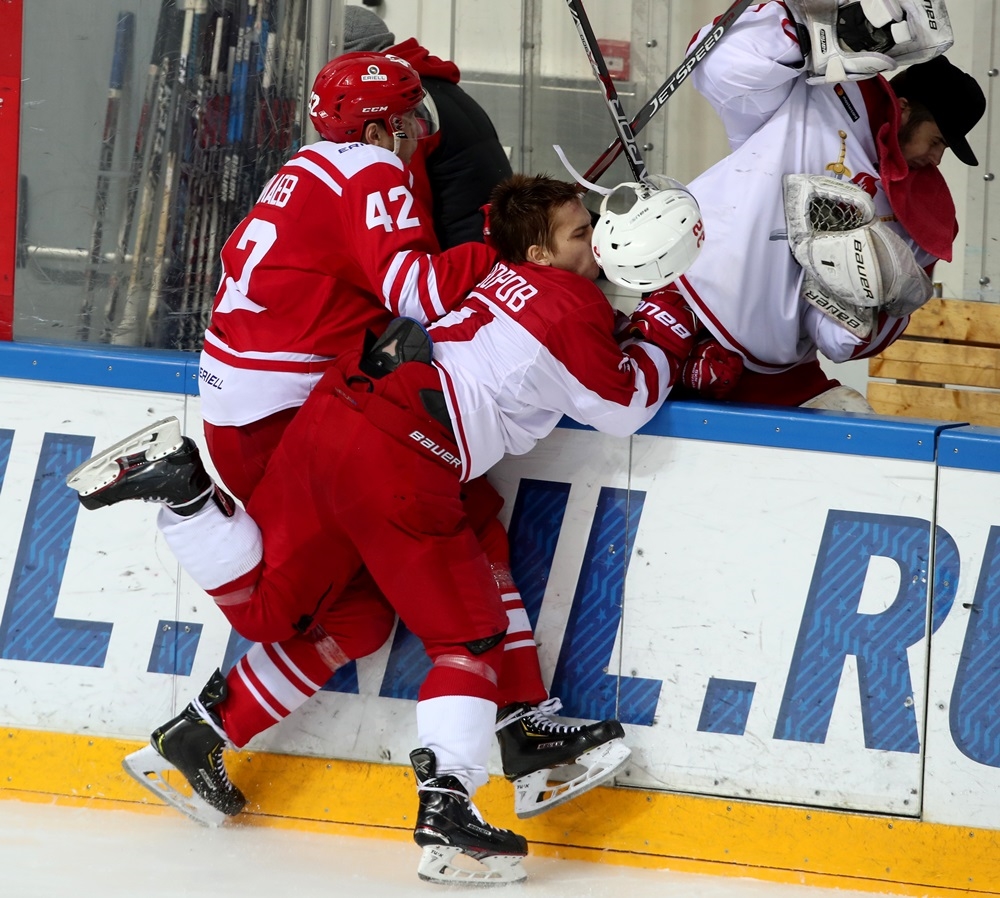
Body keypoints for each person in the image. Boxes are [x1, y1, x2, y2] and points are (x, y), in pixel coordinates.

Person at [66, 172, 703, 883]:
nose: (598, 243)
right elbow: (624, 405)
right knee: (469, 638)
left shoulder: (494, 275)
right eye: (582, 232)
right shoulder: (568, 299)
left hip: (338, 409)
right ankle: (450, 810)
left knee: (317, 615)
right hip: (405, 457)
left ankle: (189, 518)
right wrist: (664, 333)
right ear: (542, 254)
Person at [120, 51, 628, 829]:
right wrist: (499, 254)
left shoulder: (308, 166)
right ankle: (189, 502)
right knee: (304, 597)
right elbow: (415, 290)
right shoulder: (372, 169)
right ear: (377, 127)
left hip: (251, 405)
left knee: (358, 618)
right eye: (405, 118)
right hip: (292, 415)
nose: (415, 130)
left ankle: (200, 735)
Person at [660, 0, 986, 410]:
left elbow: (837, 342)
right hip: (686, 305)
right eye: (936, 141)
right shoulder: (822, 91)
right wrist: (808, 32)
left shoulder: (922, 213)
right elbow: (716, 66)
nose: (936, 159)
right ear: (904, 109)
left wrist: (869, 308)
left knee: (856, 422)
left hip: (776, 363)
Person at [341, 5, 513, 248]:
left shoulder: (401, 104)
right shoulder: (430, 85)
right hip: (493, 239)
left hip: (464, 253)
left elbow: (407, 208)